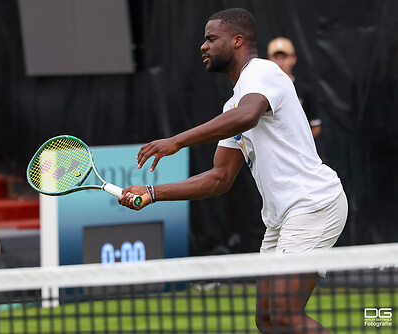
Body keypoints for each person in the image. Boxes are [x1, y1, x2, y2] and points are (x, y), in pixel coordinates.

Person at [119, 8, 347, 334]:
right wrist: (154, 193)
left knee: (284, 314)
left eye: (212, 39)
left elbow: (248, 116)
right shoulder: (232, 107)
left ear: (237, 40)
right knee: (266, 319)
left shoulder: (263, 72)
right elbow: (219, 177)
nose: (203, 46)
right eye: (204, 40)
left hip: (313, 205)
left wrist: (176, 141)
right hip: (282, 218)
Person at [267, 37, 322, 138]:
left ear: (293, 59)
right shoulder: (262, 90)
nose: (280, 62)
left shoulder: (306, 91)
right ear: (269, 60)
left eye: (284, 57)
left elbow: (315, 125)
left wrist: (298, 144)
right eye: (276, 58)